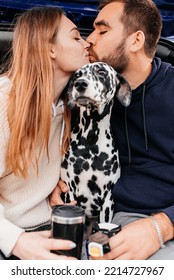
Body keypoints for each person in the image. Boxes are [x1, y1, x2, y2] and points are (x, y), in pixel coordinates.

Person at [56, 0, 174, 260]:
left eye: (102, 30)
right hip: (87, 220)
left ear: (136, 40)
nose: (89, 40)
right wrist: (52, 183)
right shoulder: (81, 90)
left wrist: (161, 226)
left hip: (157, 224)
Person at [0, 6, 89, 260]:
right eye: (75, 37)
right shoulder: (4, 101)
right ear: (50, 48)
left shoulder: (68, 109)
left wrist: (52, 188)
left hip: (48, 229)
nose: (86, 44)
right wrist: (16, 241)